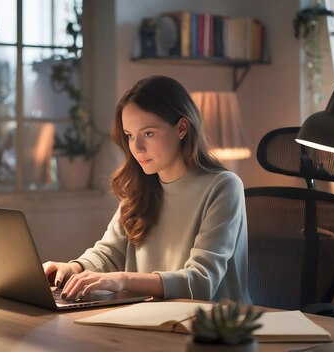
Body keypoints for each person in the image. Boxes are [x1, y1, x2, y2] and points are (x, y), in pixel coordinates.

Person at [43, 75, 250, 303]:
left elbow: (201, 282)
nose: (137, 148)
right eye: (130, 136)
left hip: (213, 326)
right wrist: (74, 268)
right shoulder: (140, 187)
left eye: (148, 134)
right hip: (148, 321)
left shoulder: (223, 187)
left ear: (182, 128)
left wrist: (122, 279)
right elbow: (110, 252)